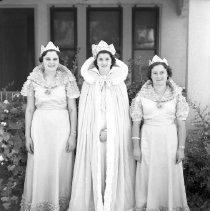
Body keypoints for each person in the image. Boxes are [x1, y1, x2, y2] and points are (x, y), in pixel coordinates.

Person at [68, 40, 135, 211]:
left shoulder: (118, 83)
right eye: (100, 59)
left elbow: (122, 115)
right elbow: (84, 112)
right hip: (94, 133)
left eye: (107, 59)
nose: (104, 62)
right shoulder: (89, 83)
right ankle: (93, 203)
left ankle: (112, 204)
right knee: (97, 163)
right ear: (95, 61)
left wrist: (111, 132)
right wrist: (93, 131)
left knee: (111, 163)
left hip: (113, 133)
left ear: (112, 61)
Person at [20, 41, 80, 211]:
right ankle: (39, 204)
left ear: (59, 61)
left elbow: (72, 109)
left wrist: (72, 135)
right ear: (42, 60)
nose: (51, 62)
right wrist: (27, 136)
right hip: (40, 127)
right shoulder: (33, 81)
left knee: (60, 164)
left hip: (62, 127)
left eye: (55, 59)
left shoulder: (68, 80)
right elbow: (30, 109)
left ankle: (59, 205)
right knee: (41, 164)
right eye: (48, 59)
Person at [130, 55, 190, 211]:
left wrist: (181, 149)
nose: (158, 76)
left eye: (162, 72)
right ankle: (148, 205)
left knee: (168, 172)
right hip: (148, 138)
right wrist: (136, 147)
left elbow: (181, 125)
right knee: (148, 173)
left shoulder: (177, 96)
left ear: (167, 73)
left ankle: (169, 205)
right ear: (150, 75)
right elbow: (136, 123)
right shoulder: (140, 97)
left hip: (169, 138)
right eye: (155, 73)